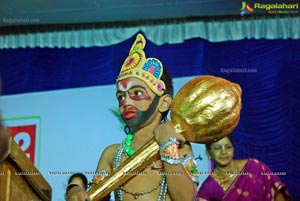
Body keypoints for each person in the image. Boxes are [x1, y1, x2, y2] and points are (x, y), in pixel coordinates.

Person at [65, 34, 199, 201]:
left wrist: (167, 144)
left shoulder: (180, 147)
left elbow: (186, 198)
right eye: (121, 96)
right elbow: (95, 197)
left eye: (137, 93)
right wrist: (74, 189)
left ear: (163, 103)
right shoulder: (112, 154)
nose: (125, 102)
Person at [196, 135, 292, 201]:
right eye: (217, 148)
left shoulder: (255, 167)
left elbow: (278, 195)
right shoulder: (208, 187)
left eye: (228, 147)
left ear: (233, 149)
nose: (224, 152)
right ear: (208, 153)